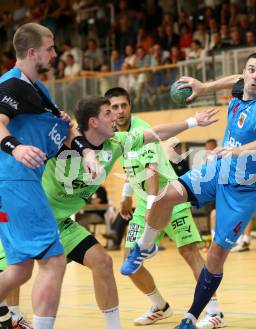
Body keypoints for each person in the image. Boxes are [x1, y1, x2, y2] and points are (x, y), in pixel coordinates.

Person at [121, 52, 256, 329]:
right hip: (219, 170)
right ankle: (147, 246)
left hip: (245, 189)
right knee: (165, 197)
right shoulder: (241, 85)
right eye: (251, 70)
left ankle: (195, 315)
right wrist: (204, 87)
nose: (254, 76)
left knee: (214, 255)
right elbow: (233, 80)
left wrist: (238, 151)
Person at [40, 95, 218, 329]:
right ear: (93, 122)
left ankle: (211, 311)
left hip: (64, 223)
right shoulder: (61, 140)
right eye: (108, 112)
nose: (115, 115)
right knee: (16, 272)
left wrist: (192, 122)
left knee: (103, 262)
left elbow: (155, 134)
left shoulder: (116, 142)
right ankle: (9, 316)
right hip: (34, 217)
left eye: (120, 108)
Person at [0, 23, 100, 329]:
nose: (55, 53)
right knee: (54, 262)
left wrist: (86, 151)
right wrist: (15, 148)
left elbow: (66, 130)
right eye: (50, 48)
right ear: (32, 52)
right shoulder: (13, 85)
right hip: (16, 182)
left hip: (15, 185)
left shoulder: (38, 90)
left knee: (19, 269)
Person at [105, 87, 226, 328]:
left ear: (130, 106)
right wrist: (126, 196)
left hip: (168, 199)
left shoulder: (141, 129)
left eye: (123, 106)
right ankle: (160, 306)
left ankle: (214, 312)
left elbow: (151, 168)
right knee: (130, 260)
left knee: (189, 252)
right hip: (142, 205)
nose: (119, 111)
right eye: (114, 107)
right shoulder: (115, 134)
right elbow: (132, 167)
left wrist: (151, 205)